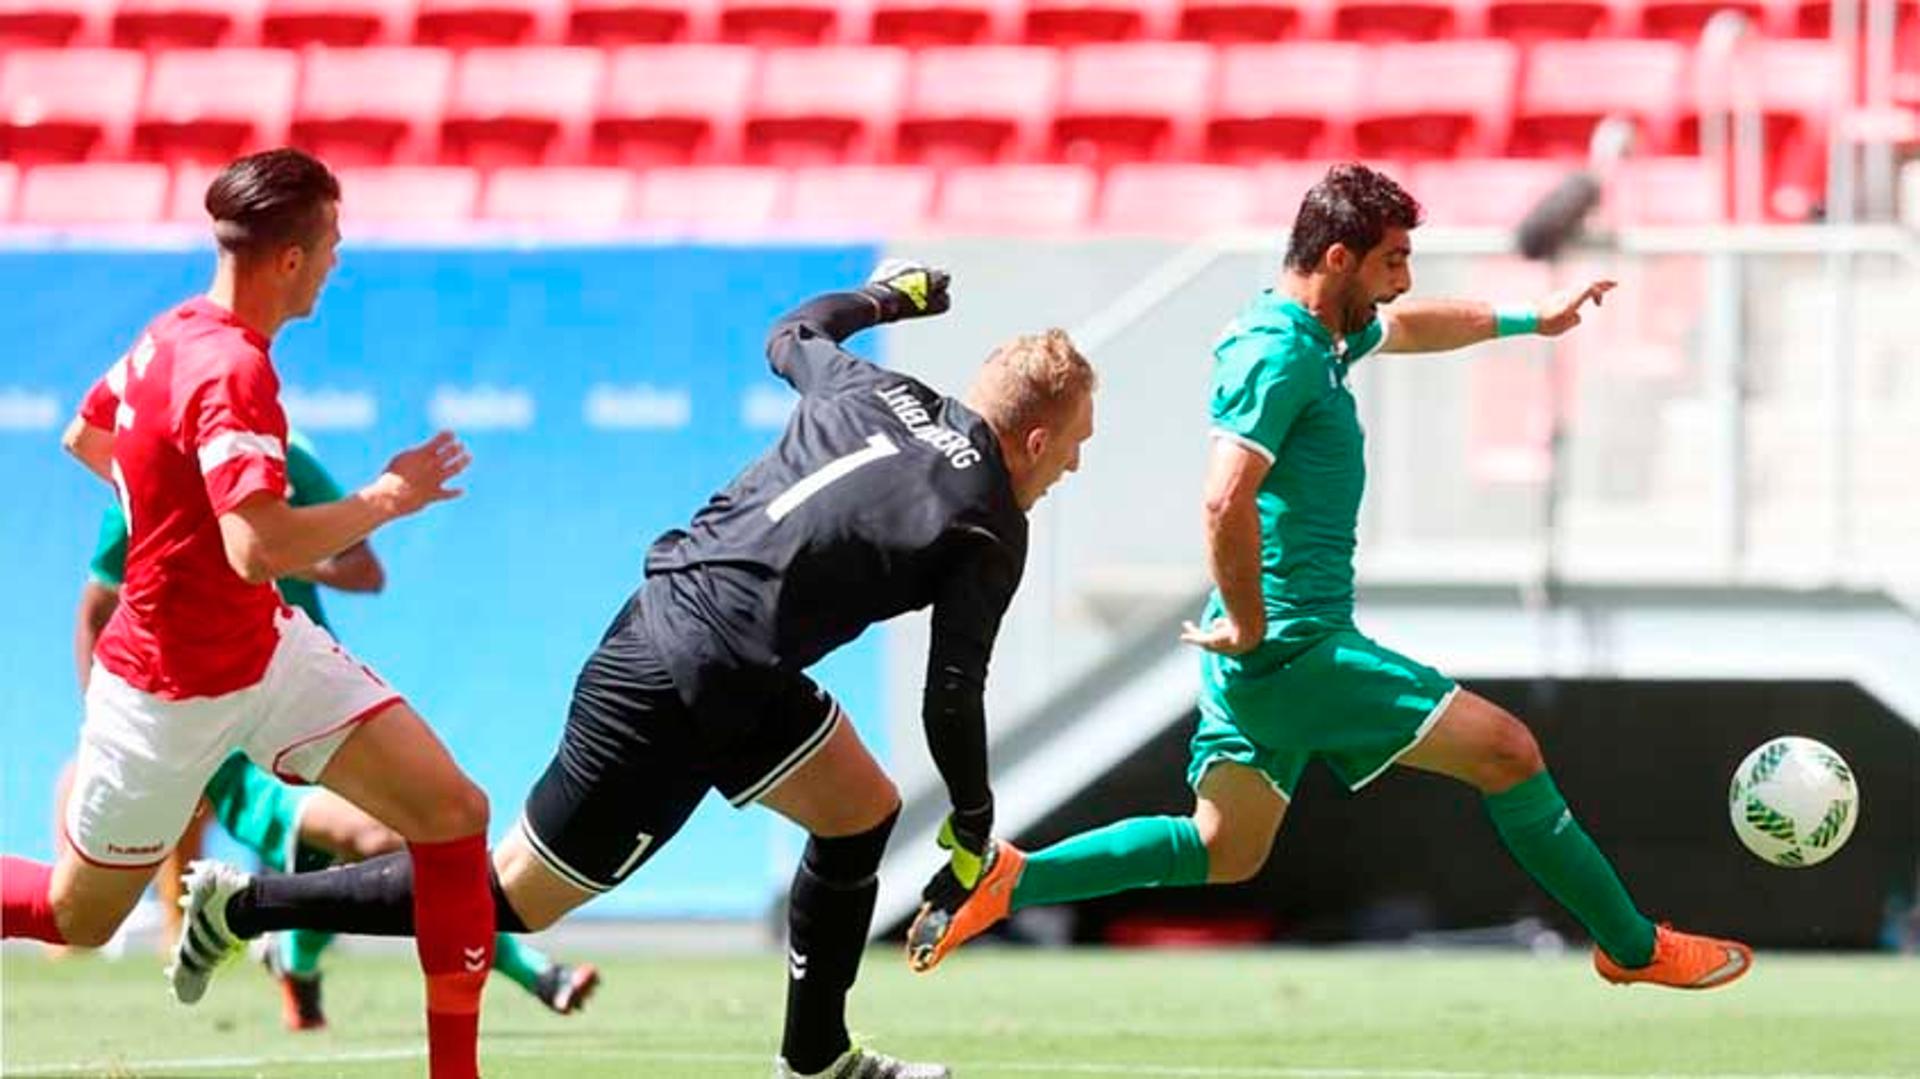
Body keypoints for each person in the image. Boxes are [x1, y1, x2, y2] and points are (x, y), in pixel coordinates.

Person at [170, 261, 1097, 1079]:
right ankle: (244, 905)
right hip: (681, 679)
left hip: (706, 646)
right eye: (1077, 444)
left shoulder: (873, 389)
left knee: (861, 811)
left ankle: (815, 1055)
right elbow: (951, 691)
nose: (1075, 466)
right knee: (511, 899)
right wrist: (975, 820)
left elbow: (793, 331)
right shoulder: (987, 522)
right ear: (1036, 439)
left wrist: (887, 296)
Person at [906, 163, 1755, 993]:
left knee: (1221, 847)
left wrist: (1533, 319)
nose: (1403, 280)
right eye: (1393, 261)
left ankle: (1010, 878)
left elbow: (1414, 326)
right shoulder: (1278, 356)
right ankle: (1634, 946)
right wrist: (1245, 619)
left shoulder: (1319, 336)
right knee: (1509, 750)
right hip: (1294, 646)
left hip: (1266, 648)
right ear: (1340, 259)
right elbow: (1220, 500)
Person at [0, 148, 496, 1079]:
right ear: (292, 260)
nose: (341, 260)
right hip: (165, 690)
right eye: (334, 243)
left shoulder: (171, 331)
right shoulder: (233, 369)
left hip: (264, 652)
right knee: (78, 915)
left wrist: (174, 505)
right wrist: (389, 495)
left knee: (453, 812)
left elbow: (86, 435)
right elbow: (259, 547)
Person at [63, 436, 600, 1031]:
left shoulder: (286, 462)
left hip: (306, 706)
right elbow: (95, 604)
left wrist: (283, 548)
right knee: (80, 916)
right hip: (215, 734)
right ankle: (523, 970)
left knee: (424, 828)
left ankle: (290, 947)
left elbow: (366, 570)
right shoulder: (156, 476)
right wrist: (106, 727)